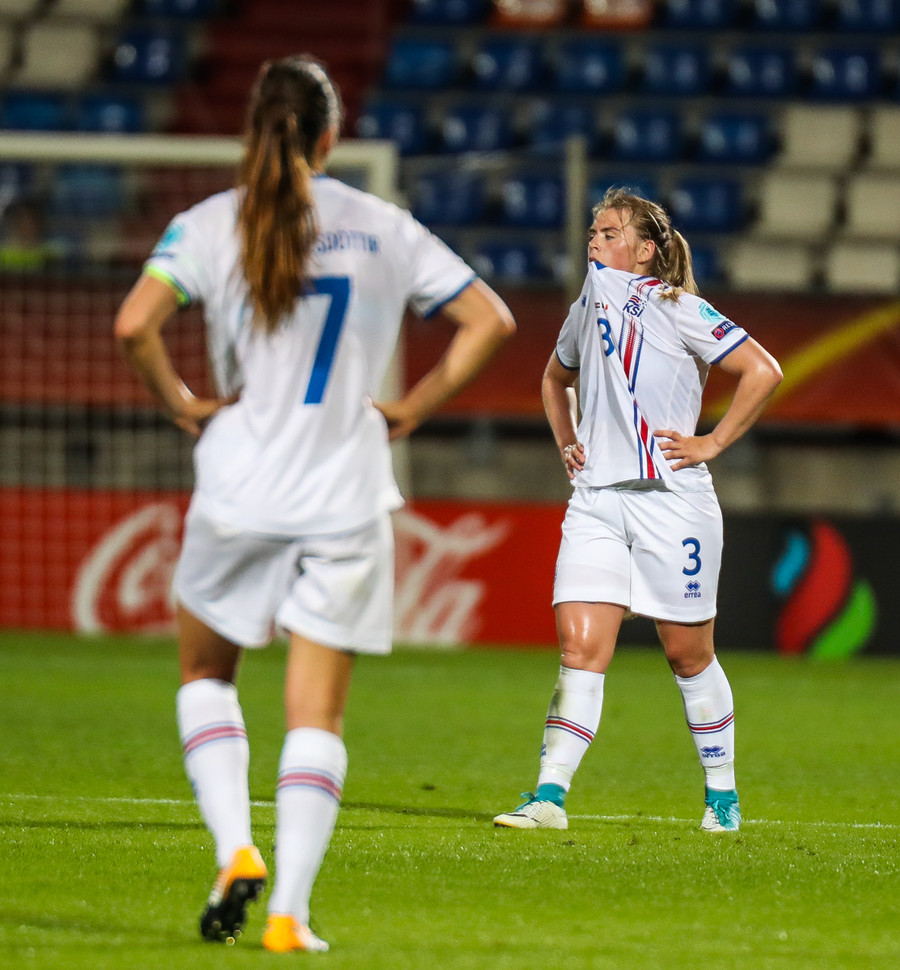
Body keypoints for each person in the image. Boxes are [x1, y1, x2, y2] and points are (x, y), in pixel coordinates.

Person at [115, 55, 515, 952]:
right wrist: (413, 406)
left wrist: (181, 402)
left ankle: (235, 849)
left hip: (238, 485)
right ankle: (288, 915)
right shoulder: (382, 224)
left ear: (253, 131)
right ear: (332, 137)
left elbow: (134, 323)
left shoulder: (211, 223)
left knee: (206, 677)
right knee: (316, 717)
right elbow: (490, 319)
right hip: (344, 490)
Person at [493, 188, 781, 833]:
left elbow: (762, 370)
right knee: (579, 647)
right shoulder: (586, 307)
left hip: (672, 503)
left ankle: (722, 797)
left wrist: (711, 443)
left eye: (608, 232)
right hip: (596, 500)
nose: (593, 241)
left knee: (687, 655)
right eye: (591, 232)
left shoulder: (677, 307)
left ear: (646, 250)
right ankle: (549, 797)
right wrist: (567, 438)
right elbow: (554, 378)